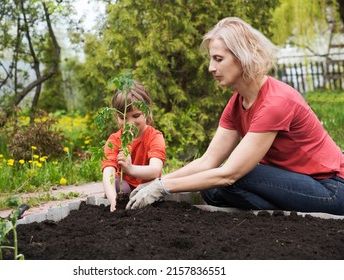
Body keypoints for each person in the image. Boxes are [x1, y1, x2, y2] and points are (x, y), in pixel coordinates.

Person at [126, 17, 344, 215]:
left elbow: (230, 173)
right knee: (210, 190)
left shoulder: (276, 101)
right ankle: (284, 213)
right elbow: (208, 161)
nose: (211, 68)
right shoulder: (236, 103)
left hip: (331, 187)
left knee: (237, 177)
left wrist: (164, 188)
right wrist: (157, 182)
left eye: (219, 59)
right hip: (297, 183)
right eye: (211, 59)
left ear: (242, 57)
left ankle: (285, 213)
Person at [102, 80, 166, 212]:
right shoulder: (115, 139)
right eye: (123, 117)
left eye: (136, 116)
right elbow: (108, 172)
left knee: (151, 190)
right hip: (124, 187)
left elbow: (155, 170)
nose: (130, 123)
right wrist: (114, 200)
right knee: (118, 186)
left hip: (147, 186)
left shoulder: (155, 137)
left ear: (147, 112)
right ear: (116, 116)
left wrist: (131, 169)